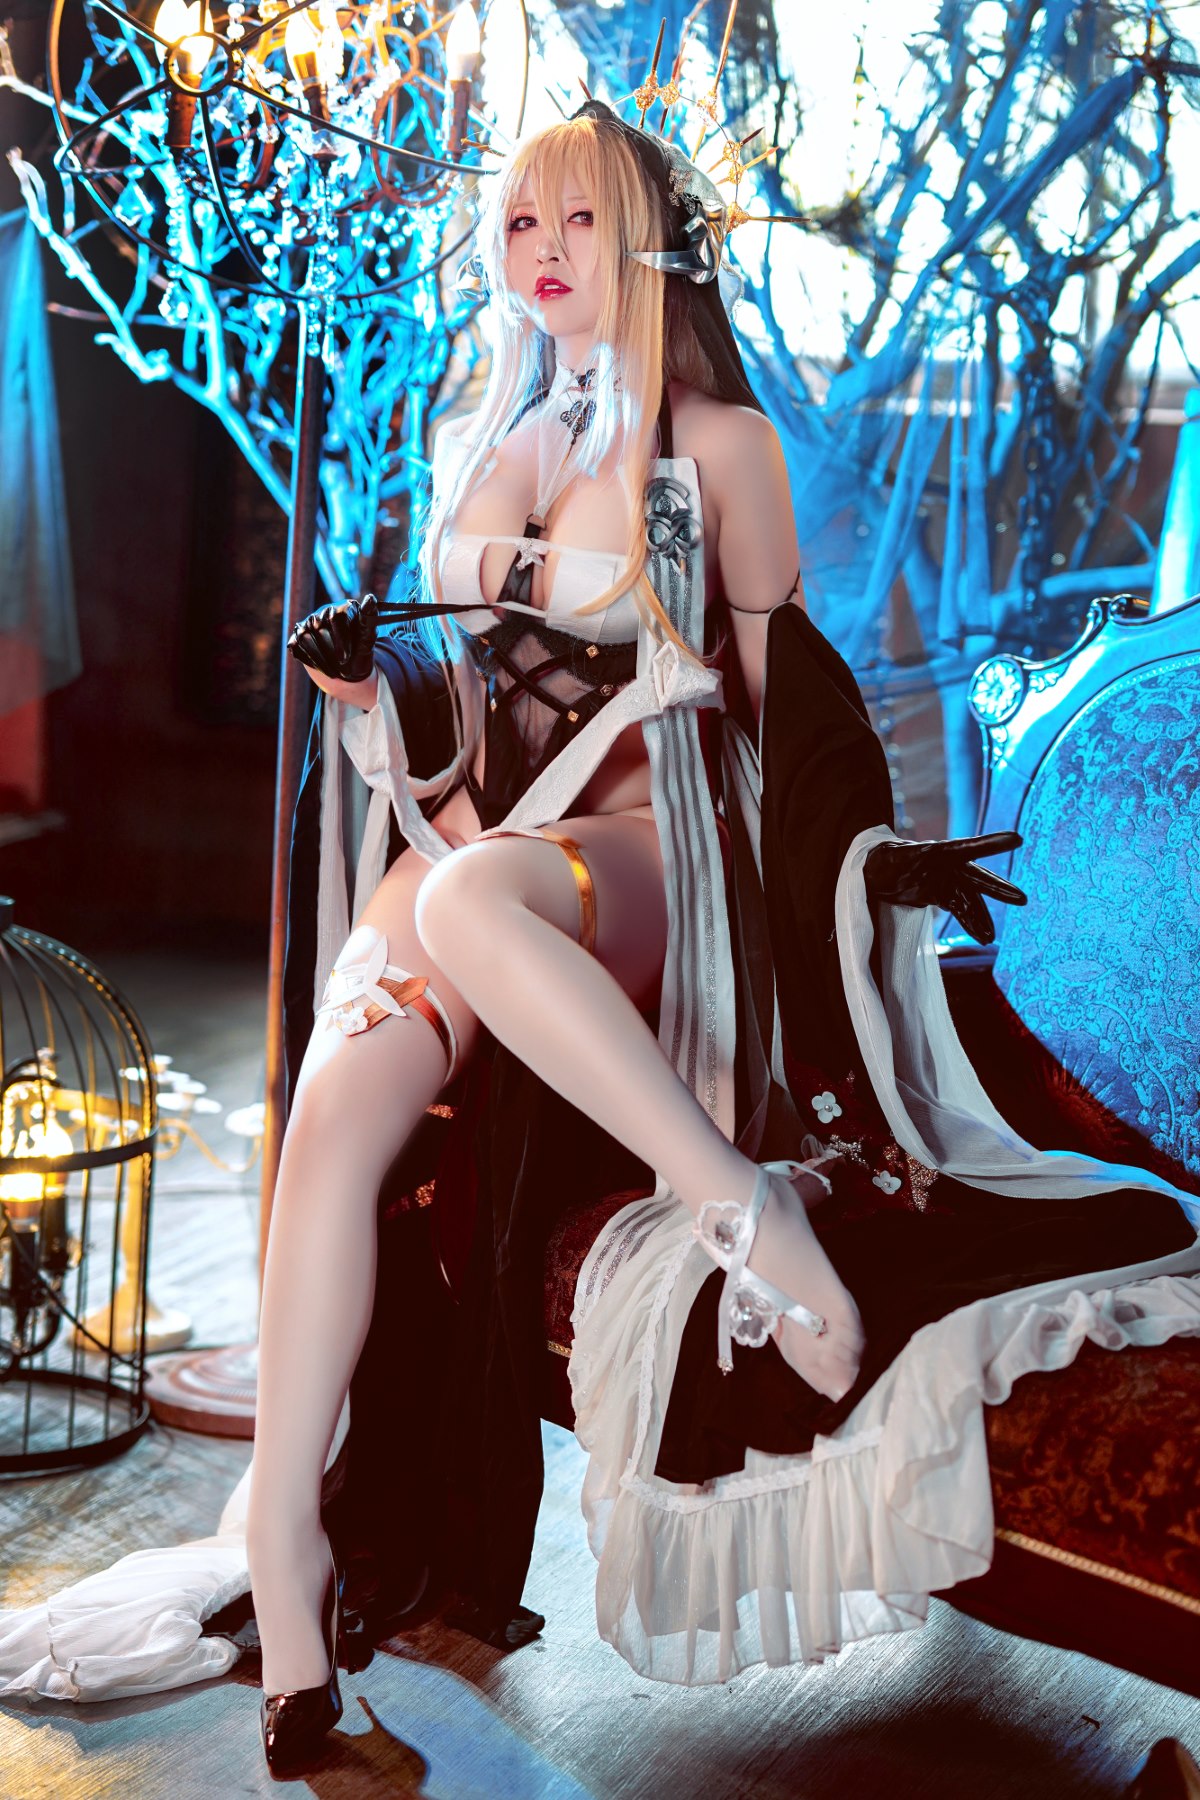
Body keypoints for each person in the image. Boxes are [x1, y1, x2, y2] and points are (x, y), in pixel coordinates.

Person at [249, 96, 1200, 1772]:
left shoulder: (709, 451)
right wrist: (360, 682)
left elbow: (781, 712)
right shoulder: (495, 440)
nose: (544, 253)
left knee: (468, 902)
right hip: (493, 837)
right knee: (338, 1103)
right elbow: (450, 694)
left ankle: (741, 1208)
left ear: (645, 242)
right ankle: (282, 1553)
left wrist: (860, 873)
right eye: (520, 223)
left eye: (579, 220)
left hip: (651, 850)